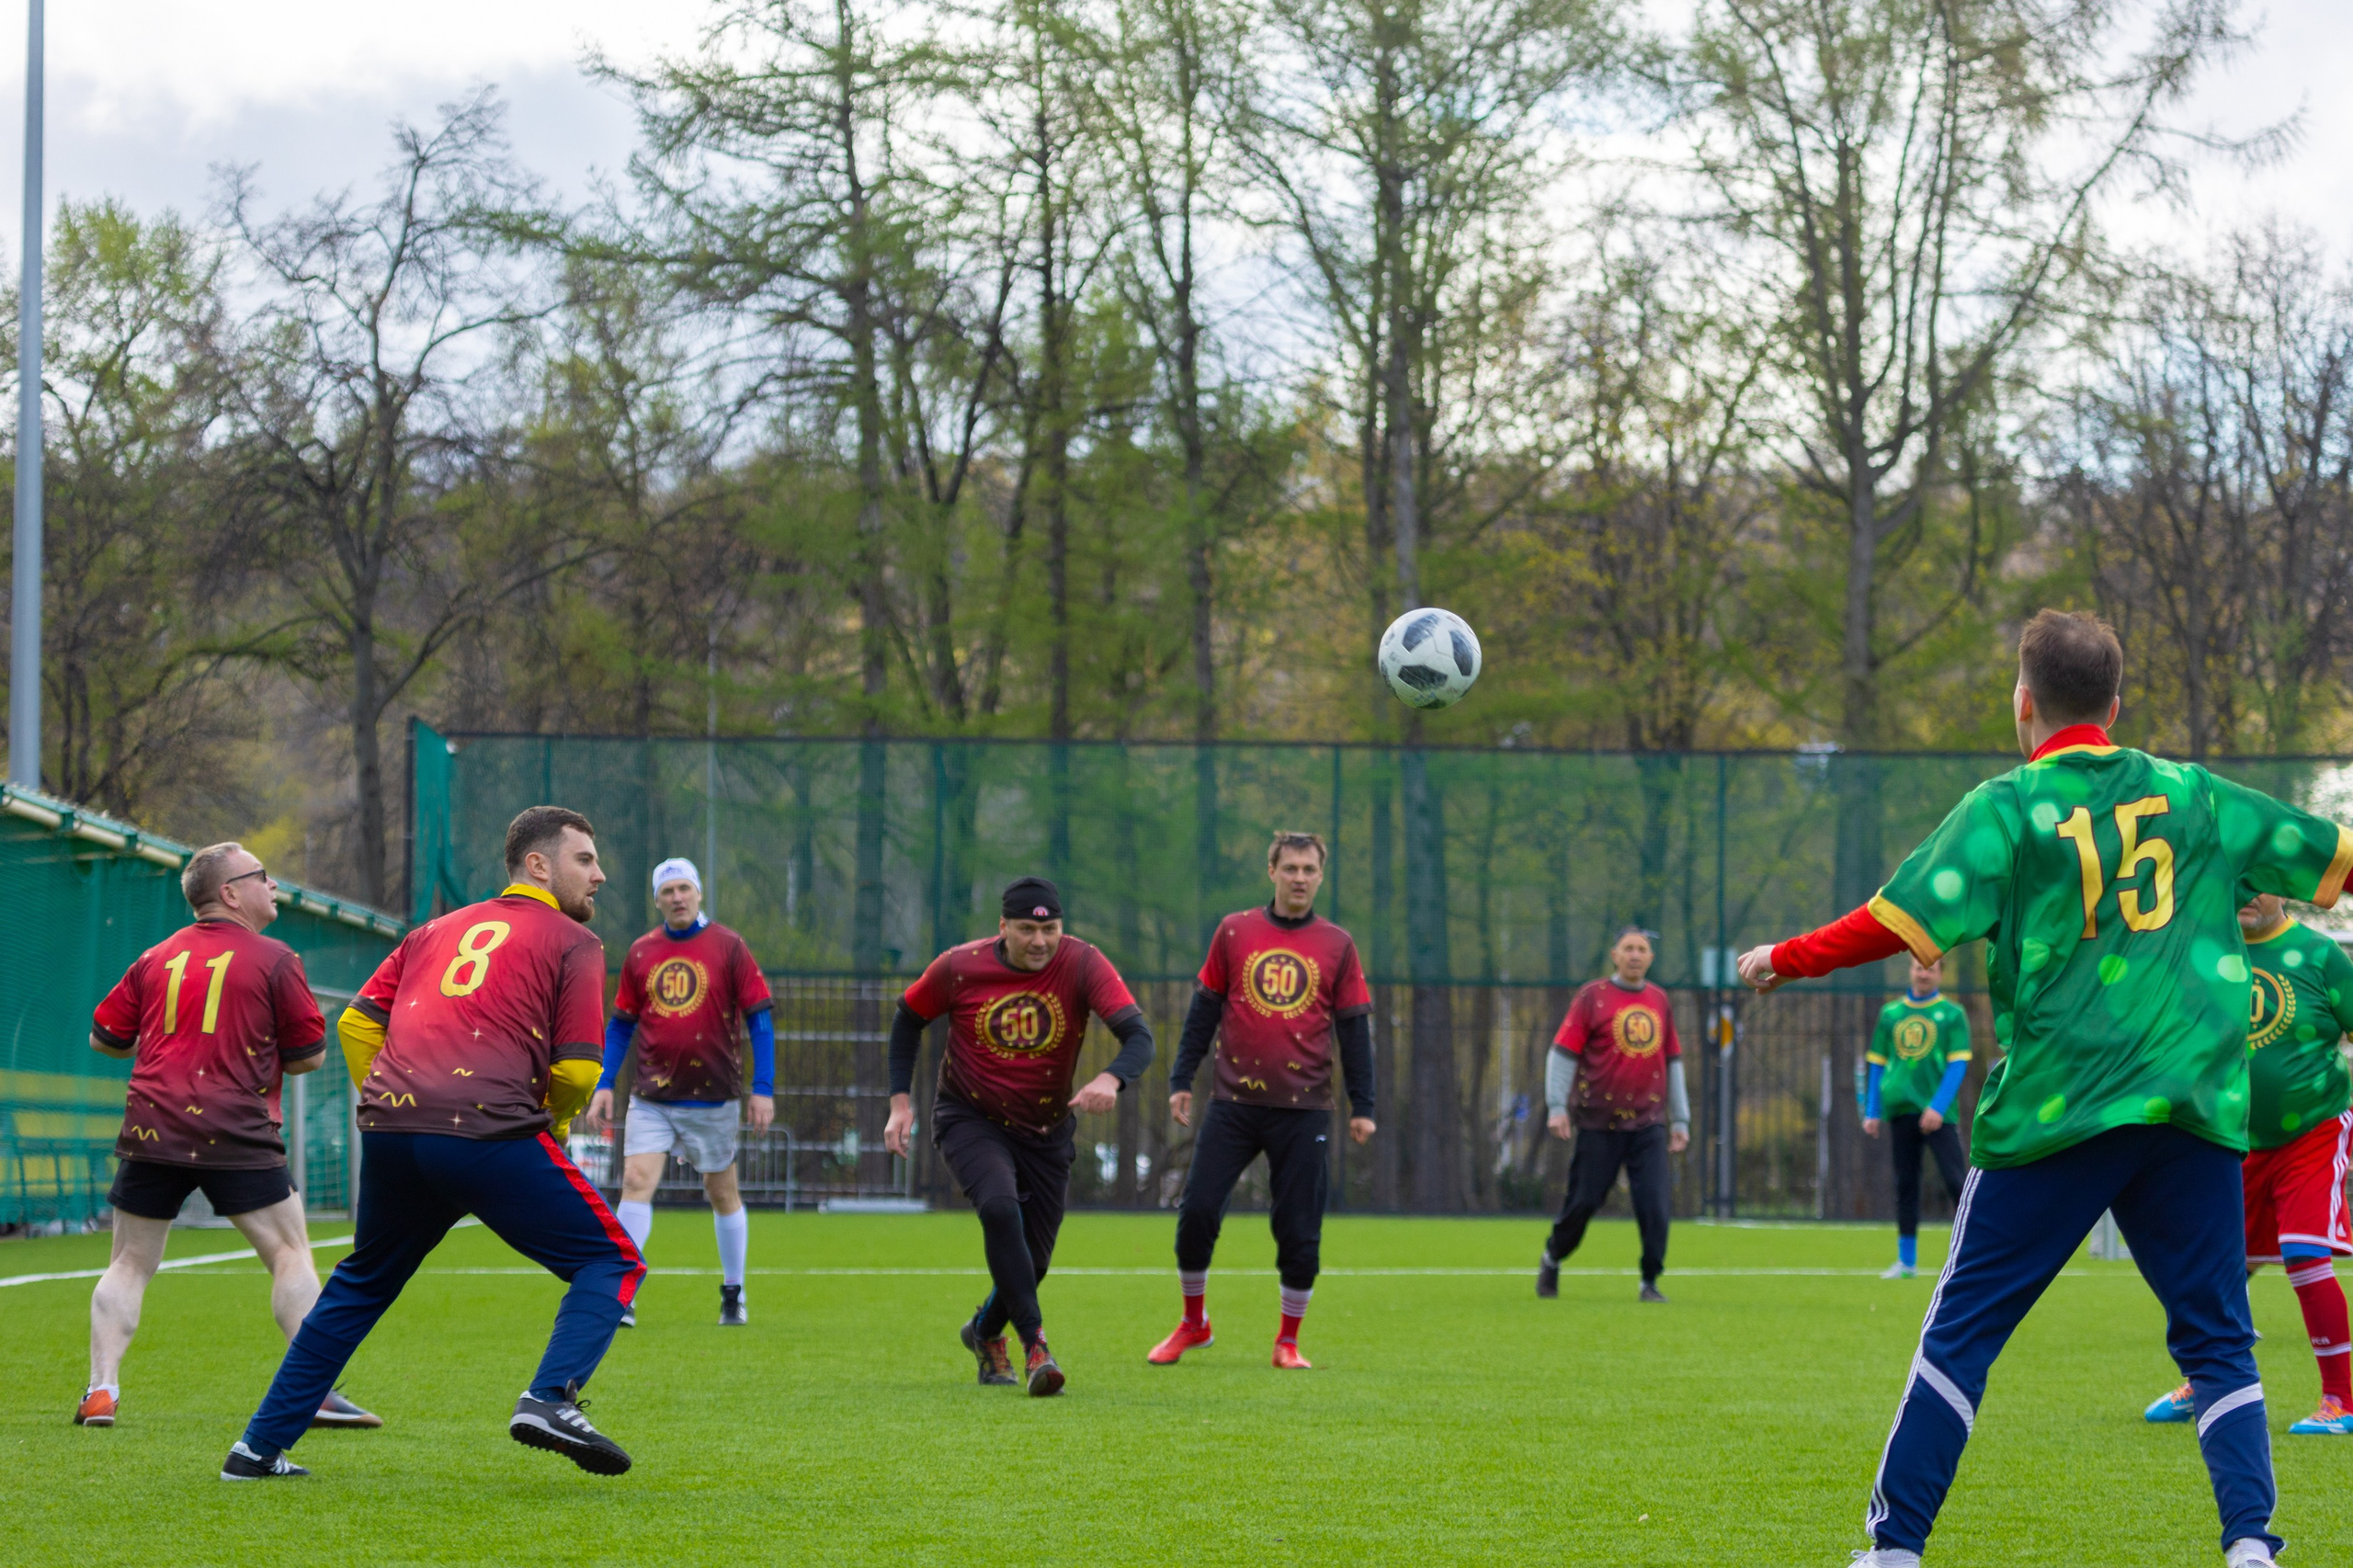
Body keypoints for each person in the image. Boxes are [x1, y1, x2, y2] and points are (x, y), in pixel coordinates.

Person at [1736, 608, 2353, 1568]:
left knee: (1960, 1335)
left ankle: (1894, 1548)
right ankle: (2248, 1547)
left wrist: (1782, 957)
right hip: (2188, 1112)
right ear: (2116, 703)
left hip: (2053, 1113)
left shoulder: (2007, 807)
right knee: (2218, 1341)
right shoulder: (2196, 796)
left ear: (2022, 702)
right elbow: (2336, 858)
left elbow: (1895, 920)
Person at [220, 806, 644, 1481]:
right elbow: (578, 1071)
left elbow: (357, 1024)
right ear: (538, 865)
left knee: (358, 1286)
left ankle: (255, 1450)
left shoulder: (432, 932)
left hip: (393, 1133)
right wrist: (553, 1125)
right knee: (614, 1261)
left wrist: (385, 1096)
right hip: (487, 1130)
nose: (601, 875)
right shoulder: (575, 943)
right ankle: (549, 1399)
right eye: (585, 860)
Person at [76, 842, 379, 1434]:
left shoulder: (153, 958)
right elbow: (309, 1059)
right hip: (235, 1127)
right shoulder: (275, 959)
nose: (274, 885)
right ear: (230, 893)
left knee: (131, 1262)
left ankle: (101, 1392)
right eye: (262, 876)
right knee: (290, 1255)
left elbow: (104, 1039)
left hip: (153, 1122)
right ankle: (313, 1391)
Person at [882, 877, 1154, 1397]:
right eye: (1026, 930)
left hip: (1047, 1128)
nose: (1039, 942)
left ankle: (984, 1332)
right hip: (970, 1116)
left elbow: (1139, 1036)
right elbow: (907, 1020)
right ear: (1002, 927)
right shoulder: (959, 966)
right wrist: (899, 1103)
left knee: (1035, 1263)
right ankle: (1037, 1347)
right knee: (1001, 1209)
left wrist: (1109, 1077)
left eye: (1049, 929)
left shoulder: (1082, 962)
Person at [1151, 831, 1376, 1370]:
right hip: (1233, 1104)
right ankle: (1193, 1323)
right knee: (1198, 1210)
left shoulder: (1338, 944)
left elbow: (1354, 1030)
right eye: (1291, 867)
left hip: (1306, 1110)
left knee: (1298, 1227)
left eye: (1310, 869)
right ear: (1271, 870)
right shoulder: (1234, 931)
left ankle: (1288, 1341)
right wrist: (1182, 1076)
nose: (1300, 877)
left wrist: (1363, 1105)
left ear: (1321, 877)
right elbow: (1203, 1010)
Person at [2143, 886, 2353, 1437]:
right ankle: (2204, 1380)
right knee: (2214, 1267)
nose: (2246, 893)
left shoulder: (2320, 954)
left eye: (2260, 882)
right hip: (2233, 1138)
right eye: (2238, 878)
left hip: (2314, 1130)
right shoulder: (2207, 953)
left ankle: (2341, 1401)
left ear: (2284, 889)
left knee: (2306, 1252)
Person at [585, 857, 775, 1328]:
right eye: (668, 891)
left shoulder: (730, 946)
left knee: (721, 1193)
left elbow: (760, 1019)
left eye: (684, 889)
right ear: (657, 899)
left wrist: (763, 1088)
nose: (677, 898)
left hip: (714, 1098)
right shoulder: (641, 952)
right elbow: (622, 1025)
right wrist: (605, 1083)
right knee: (634, 1184)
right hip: (652, 1098)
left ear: (699, 892)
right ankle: (624, 1294)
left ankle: (734, 1292)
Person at [1535, 926, 1690, 1303]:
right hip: (1598, 1123)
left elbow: (1672, 1061)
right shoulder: (1592, 997)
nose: (1635, 955)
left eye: (1642, 949)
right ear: (1614, 955)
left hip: (1648, 1123)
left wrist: (1681, 1119)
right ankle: (1553, 1256)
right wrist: (1557, 1107)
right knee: (1584, 1202)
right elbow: (1563, 1052)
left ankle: (1649, 1282)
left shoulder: (1659, 1000)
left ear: (1650, 959)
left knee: (1654, 1205)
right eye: (1628, 949)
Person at [1864, 959, 1972, 1279]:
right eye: (1917, 967)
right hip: (1901, 1111)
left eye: (1930, 968)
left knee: (1957, 1183)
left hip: (1939, 1116)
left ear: (1940, 973)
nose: (1923, 974)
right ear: (1910, 970)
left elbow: (1957, 1065)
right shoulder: (1890, 1014)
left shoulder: (1953, 1015)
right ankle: (1906, 1262)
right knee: (1905, 1185)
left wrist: (1937, 1107)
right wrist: (1872, 1111)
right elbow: (1876, 1064)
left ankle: (1975, 1255)